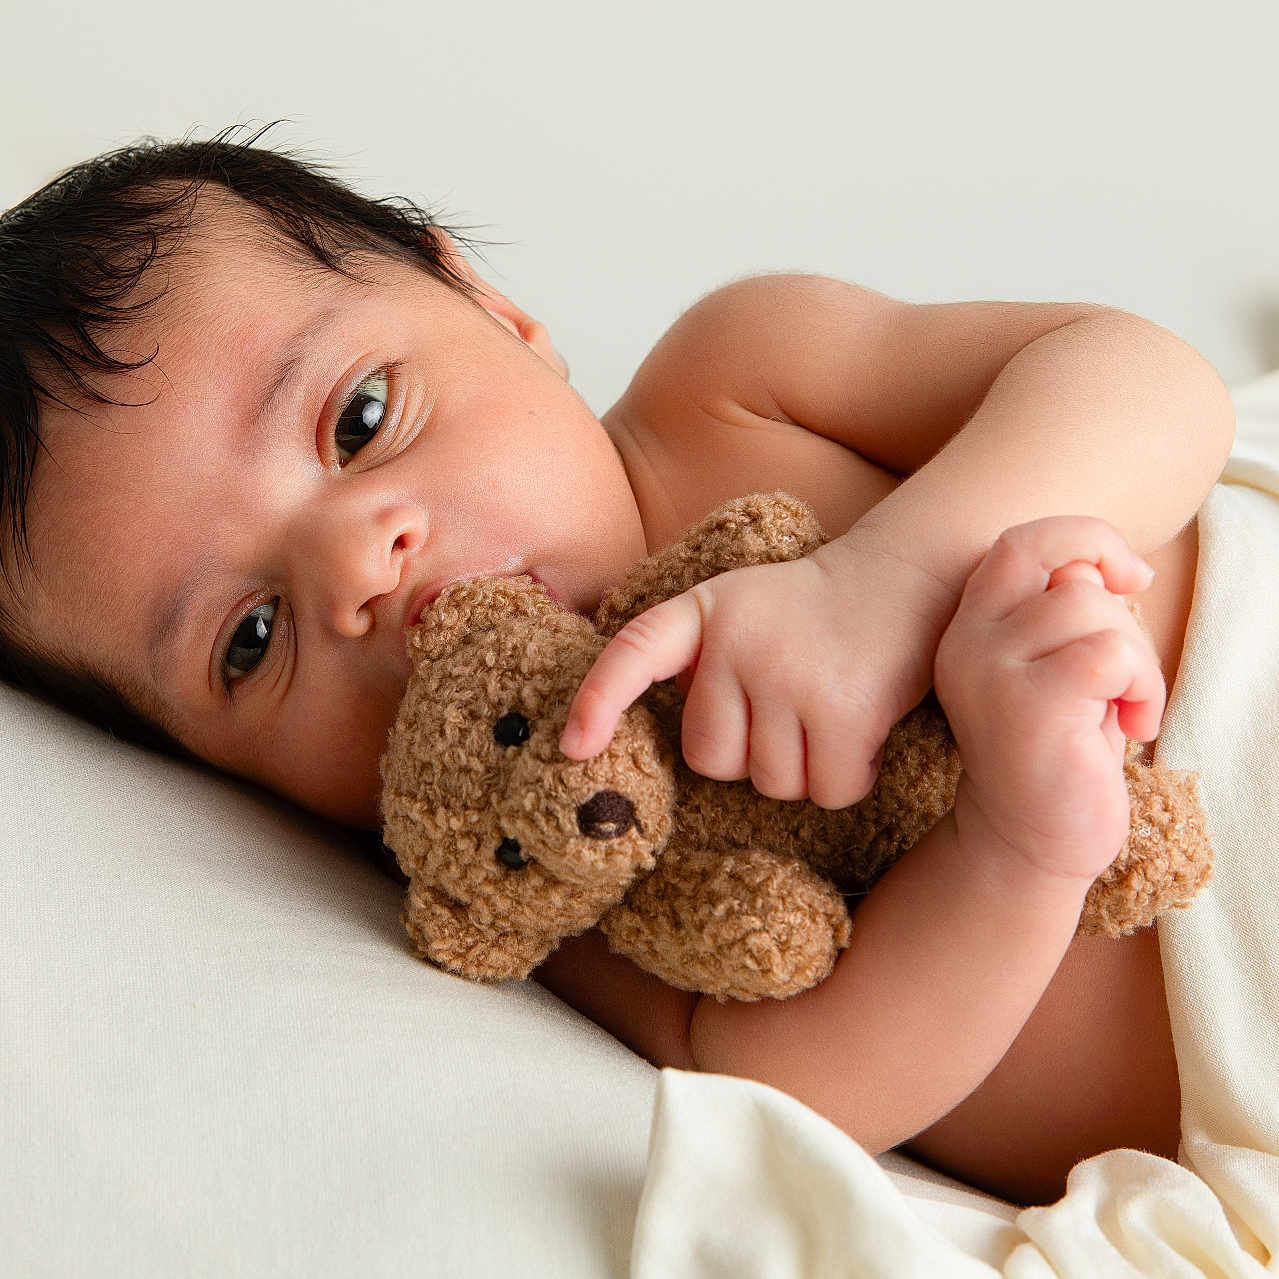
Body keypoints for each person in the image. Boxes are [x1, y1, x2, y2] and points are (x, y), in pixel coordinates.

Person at [0, 128, 1236, 1207]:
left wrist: (895, 575)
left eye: (360, 418)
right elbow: (787, 1090)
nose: (354, 570)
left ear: (491, 307)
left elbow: (1146, 381)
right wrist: (1016, 850)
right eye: (250, 637)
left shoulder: (737, 387)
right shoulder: (543, 873)